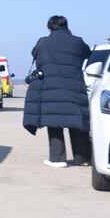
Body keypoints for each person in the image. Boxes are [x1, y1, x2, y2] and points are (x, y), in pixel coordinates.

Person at [23, 15, 92, 168]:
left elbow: (34, 53)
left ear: (49, 28)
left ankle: (57, 159)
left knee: (54, 122)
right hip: (74, 88)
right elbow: (87, 53)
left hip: (50, 88)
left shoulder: (43, 42)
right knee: (77, 122)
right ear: (67, 26)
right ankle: (82, 159)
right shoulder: (77, 41)